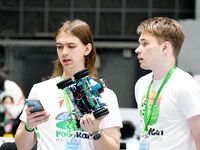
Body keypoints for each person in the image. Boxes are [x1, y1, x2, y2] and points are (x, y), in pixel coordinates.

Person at [15, 19, 122, 150]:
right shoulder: (40, 90)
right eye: (59, 46)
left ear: (87, 49)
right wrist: (29, 126)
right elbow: (22, 147)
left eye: (71, 46)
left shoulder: (105, 95)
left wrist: (95, 132)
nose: (64, 52)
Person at [134, 17, 200, 150]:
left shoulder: (185, 85)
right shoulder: (141, 84)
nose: (137, 49)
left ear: (165, 47)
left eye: (145, 44)